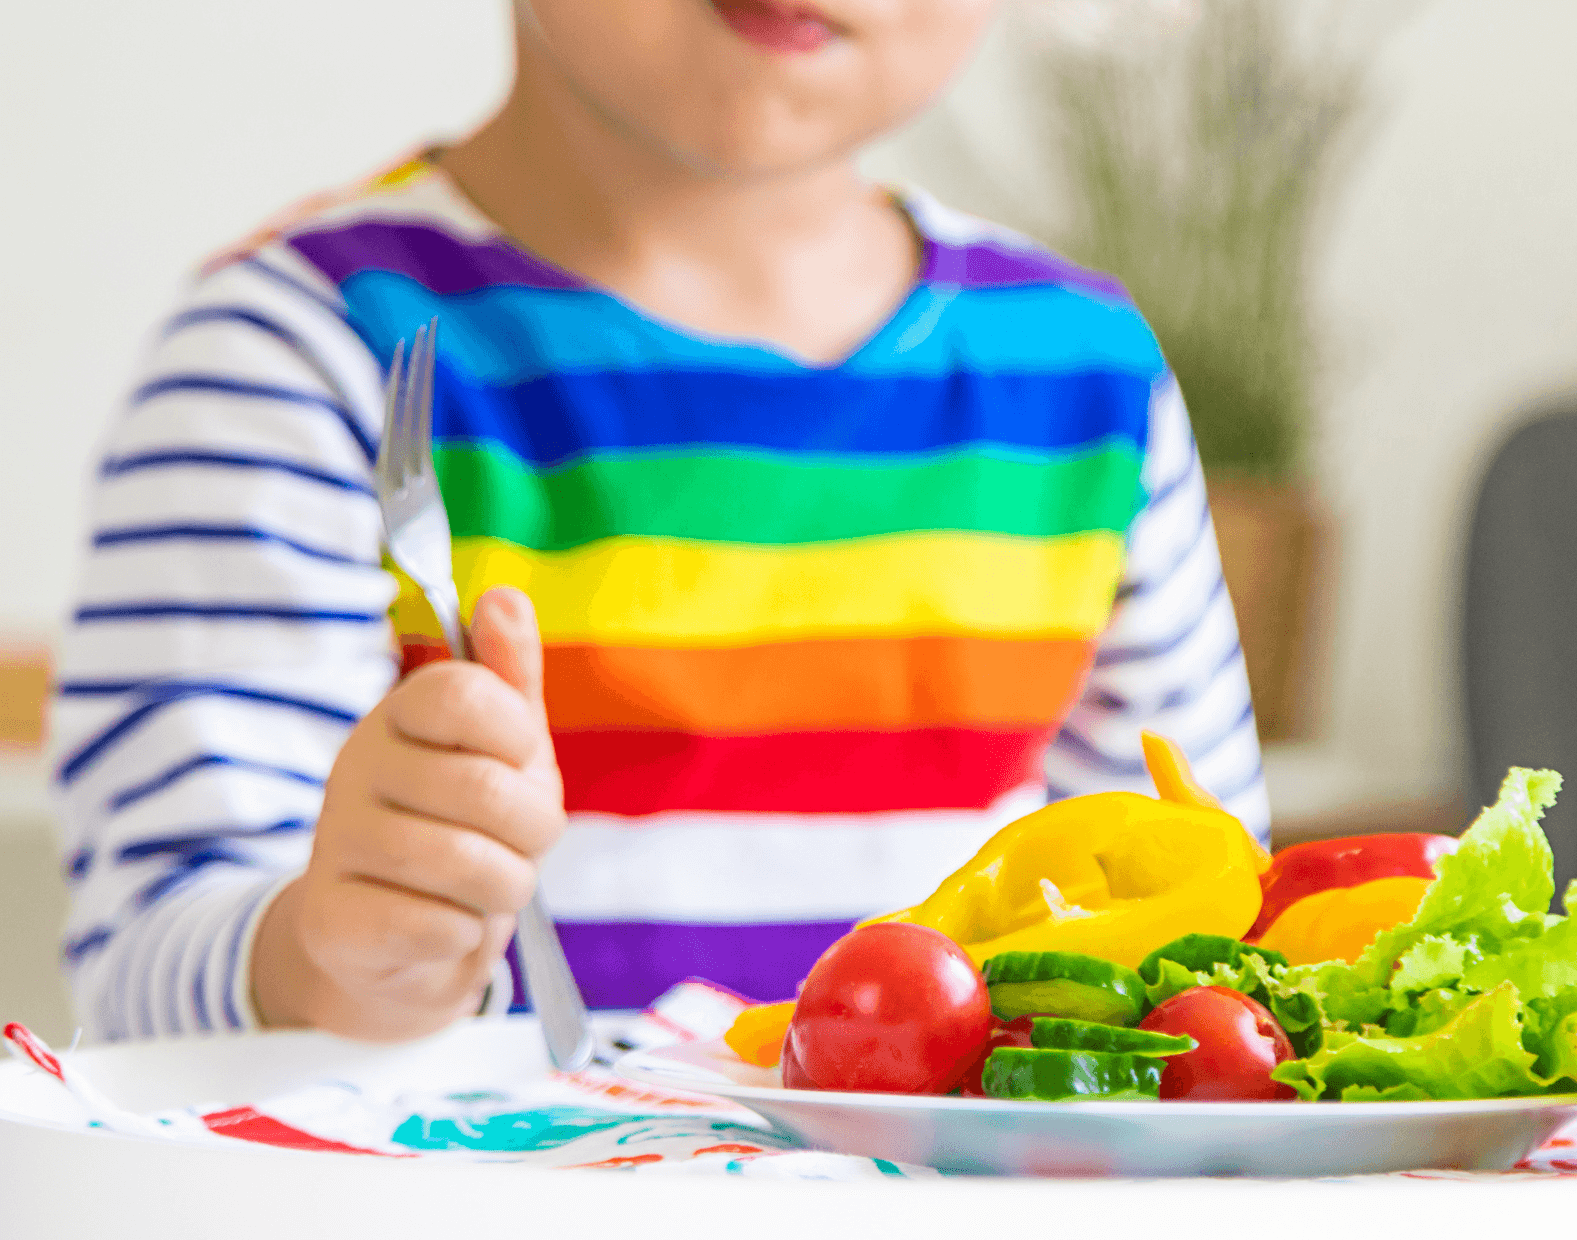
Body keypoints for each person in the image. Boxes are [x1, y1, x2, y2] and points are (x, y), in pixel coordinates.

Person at [52, 0, 1268, 1044]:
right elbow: (144, 971)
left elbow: (1208, 943)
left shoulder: (1083, 375)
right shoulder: (291, 353)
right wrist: (333, 955)